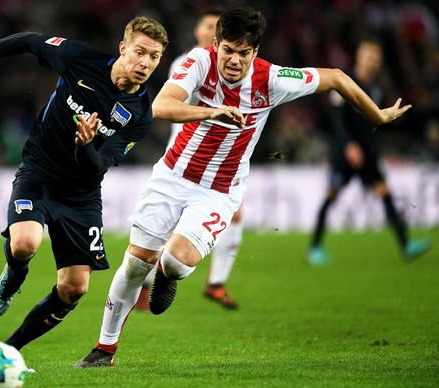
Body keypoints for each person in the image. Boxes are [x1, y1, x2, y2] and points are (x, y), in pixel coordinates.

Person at [74, 6, 412, 368]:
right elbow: (161, 105)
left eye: (244, 53)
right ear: (216, 44)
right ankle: (103, 350)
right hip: (172, 176)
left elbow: (336, 77)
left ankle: (169, 277)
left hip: (219, 191)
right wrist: (212, 111)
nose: (234, 60)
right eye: (228, 50)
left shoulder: (273, 78)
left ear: (256, 51)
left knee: (172, 263)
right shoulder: (198, 62)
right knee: (135, 264)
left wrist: (377, 115)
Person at [0, 17, 169, 351]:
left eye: (154, 57)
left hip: (82, 194)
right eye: (140, 52)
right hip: (39, 172)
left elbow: (100, 166)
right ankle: (14, 273)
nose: (145, 63)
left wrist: (85, 146)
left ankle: (9, 350)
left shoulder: (140, 114)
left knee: (75, 288)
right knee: (24, 244)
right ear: (123, 48)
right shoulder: (80, 59)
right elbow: (28, 40)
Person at [136, 6, 241, 311]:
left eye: (217, 28)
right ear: (199, 32)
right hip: (183, 158)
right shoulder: (189, 62)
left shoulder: (231, 70)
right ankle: (142, 283)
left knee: (235, 214)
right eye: (208, 26)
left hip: (219, 162)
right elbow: (170, 105)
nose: (212, 32)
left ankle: (216, 282)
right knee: (161, 230)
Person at [307, 39, 432, 266]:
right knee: (331, 196)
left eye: (375, 57)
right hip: (346, 154)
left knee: (385, 194)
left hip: (368, 154)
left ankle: (406, 245)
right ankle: (314, 248)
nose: (371, 61)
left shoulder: (375, 87)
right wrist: (348, 145)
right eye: (368, 56)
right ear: (359, 57)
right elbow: (338, 119)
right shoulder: (344, 82)